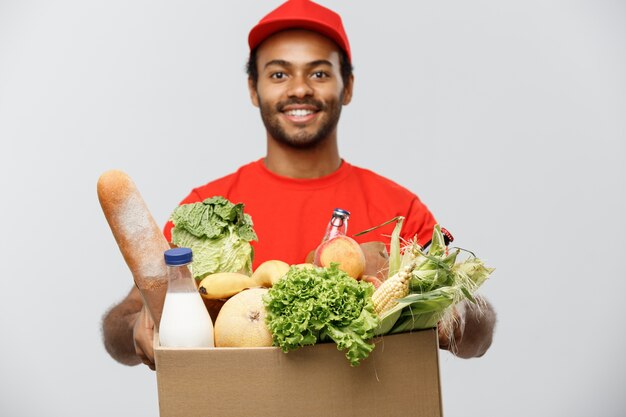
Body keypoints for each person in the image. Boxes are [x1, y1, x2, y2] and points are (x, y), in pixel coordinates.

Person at [102, 0, 496, 371]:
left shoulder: (397, 210)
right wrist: (137, 326)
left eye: (320, 73)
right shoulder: (209, 209)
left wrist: (453, 314)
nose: (300, 88)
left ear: (348, 87)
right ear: (254, 90)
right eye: (278, 74)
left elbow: (478, 335)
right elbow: (122, 323)